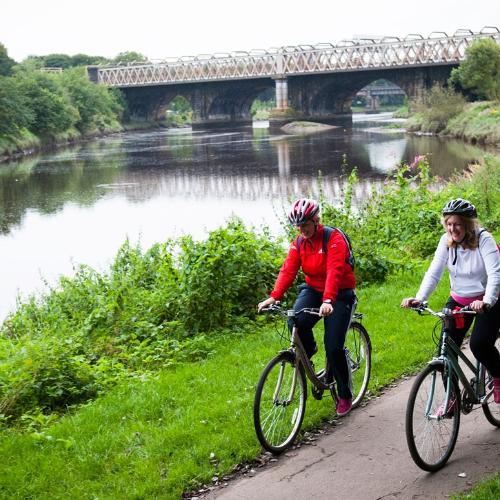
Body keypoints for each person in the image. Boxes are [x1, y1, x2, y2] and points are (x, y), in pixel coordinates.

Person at [258, 198, 357, 416]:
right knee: (294, 319)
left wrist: (329, 300)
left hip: (340, 294)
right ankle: (308, 350)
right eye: (299, 226)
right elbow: (288, 270)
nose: (302, 229)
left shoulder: (333, 239)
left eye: (305, 225)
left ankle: (345, 395)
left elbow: (335, 270)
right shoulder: (300, 243)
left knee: (333, 346)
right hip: (313, 289)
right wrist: (274, 297)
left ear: (316, 220)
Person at [401, 198, 500, 406]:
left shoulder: (484, 240)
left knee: (480, 344)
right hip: (459, 299)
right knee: (445, 350)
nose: (451, 228)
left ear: (467, 224)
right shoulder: (446, 241)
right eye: (448, 223)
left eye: (456, 224)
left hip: (488, 300)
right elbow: (434, 273)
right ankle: (452, 399)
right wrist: (420, 298)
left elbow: (494, 273)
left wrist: (487, 300)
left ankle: (498, 378)